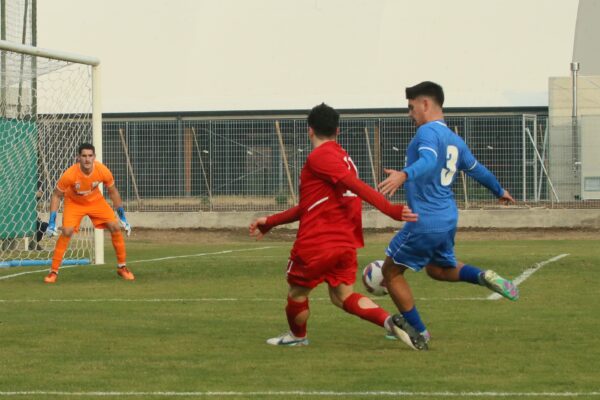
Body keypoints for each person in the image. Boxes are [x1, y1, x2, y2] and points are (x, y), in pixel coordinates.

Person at [249, 103, 418, 346]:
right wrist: (272, 222)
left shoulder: (321, 156)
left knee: (297, 293)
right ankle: (390, 322)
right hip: (345, 241)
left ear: (310, 130)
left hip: (318, 241)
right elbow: (308, 205)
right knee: (342, 297)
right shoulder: (342, 156)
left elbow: (356, 186)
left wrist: (390, 210)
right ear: (337, 131)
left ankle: (297, 337)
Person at [377, 81, 518, 351]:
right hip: (447, 218)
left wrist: (403, 174)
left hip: (424, 220)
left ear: (425, 104)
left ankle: (419, 332)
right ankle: (482, 276)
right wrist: (499, 190)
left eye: (411, 107)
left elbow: (429, 161)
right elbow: (477, 170)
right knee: (437, 269)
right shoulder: (455, 139)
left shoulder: (426, 132)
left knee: (391, 272)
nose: (410, 114)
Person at [43, 143, 134, 283]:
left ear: (94, 157)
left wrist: (123, 217)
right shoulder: (69, 174)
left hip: (95, 201)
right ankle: (53, 272)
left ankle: (122, 268)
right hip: (74, 203)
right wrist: (51, 222)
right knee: (66, 231)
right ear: (78, 157)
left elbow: (113, 191)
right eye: (84, 156)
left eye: (90, 156)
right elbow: (56, 195)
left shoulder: (102, 170)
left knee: (115, 226)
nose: (87, 159)